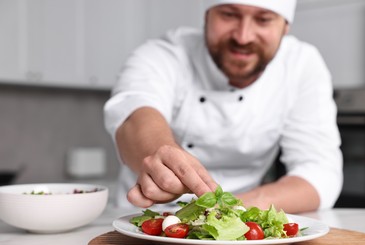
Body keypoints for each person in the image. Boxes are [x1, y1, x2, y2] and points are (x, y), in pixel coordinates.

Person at [104, 0, 343, 213]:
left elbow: (319, 171)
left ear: (285, 26)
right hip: (145, 216)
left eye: (263, 19)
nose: (243, 36)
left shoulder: (301, 65)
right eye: (229, 14)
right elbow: (134, 114)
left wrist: (229, 209)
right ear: (207, 15)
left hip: (243, 221)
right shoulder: (163, 54)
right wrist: (159, 153)